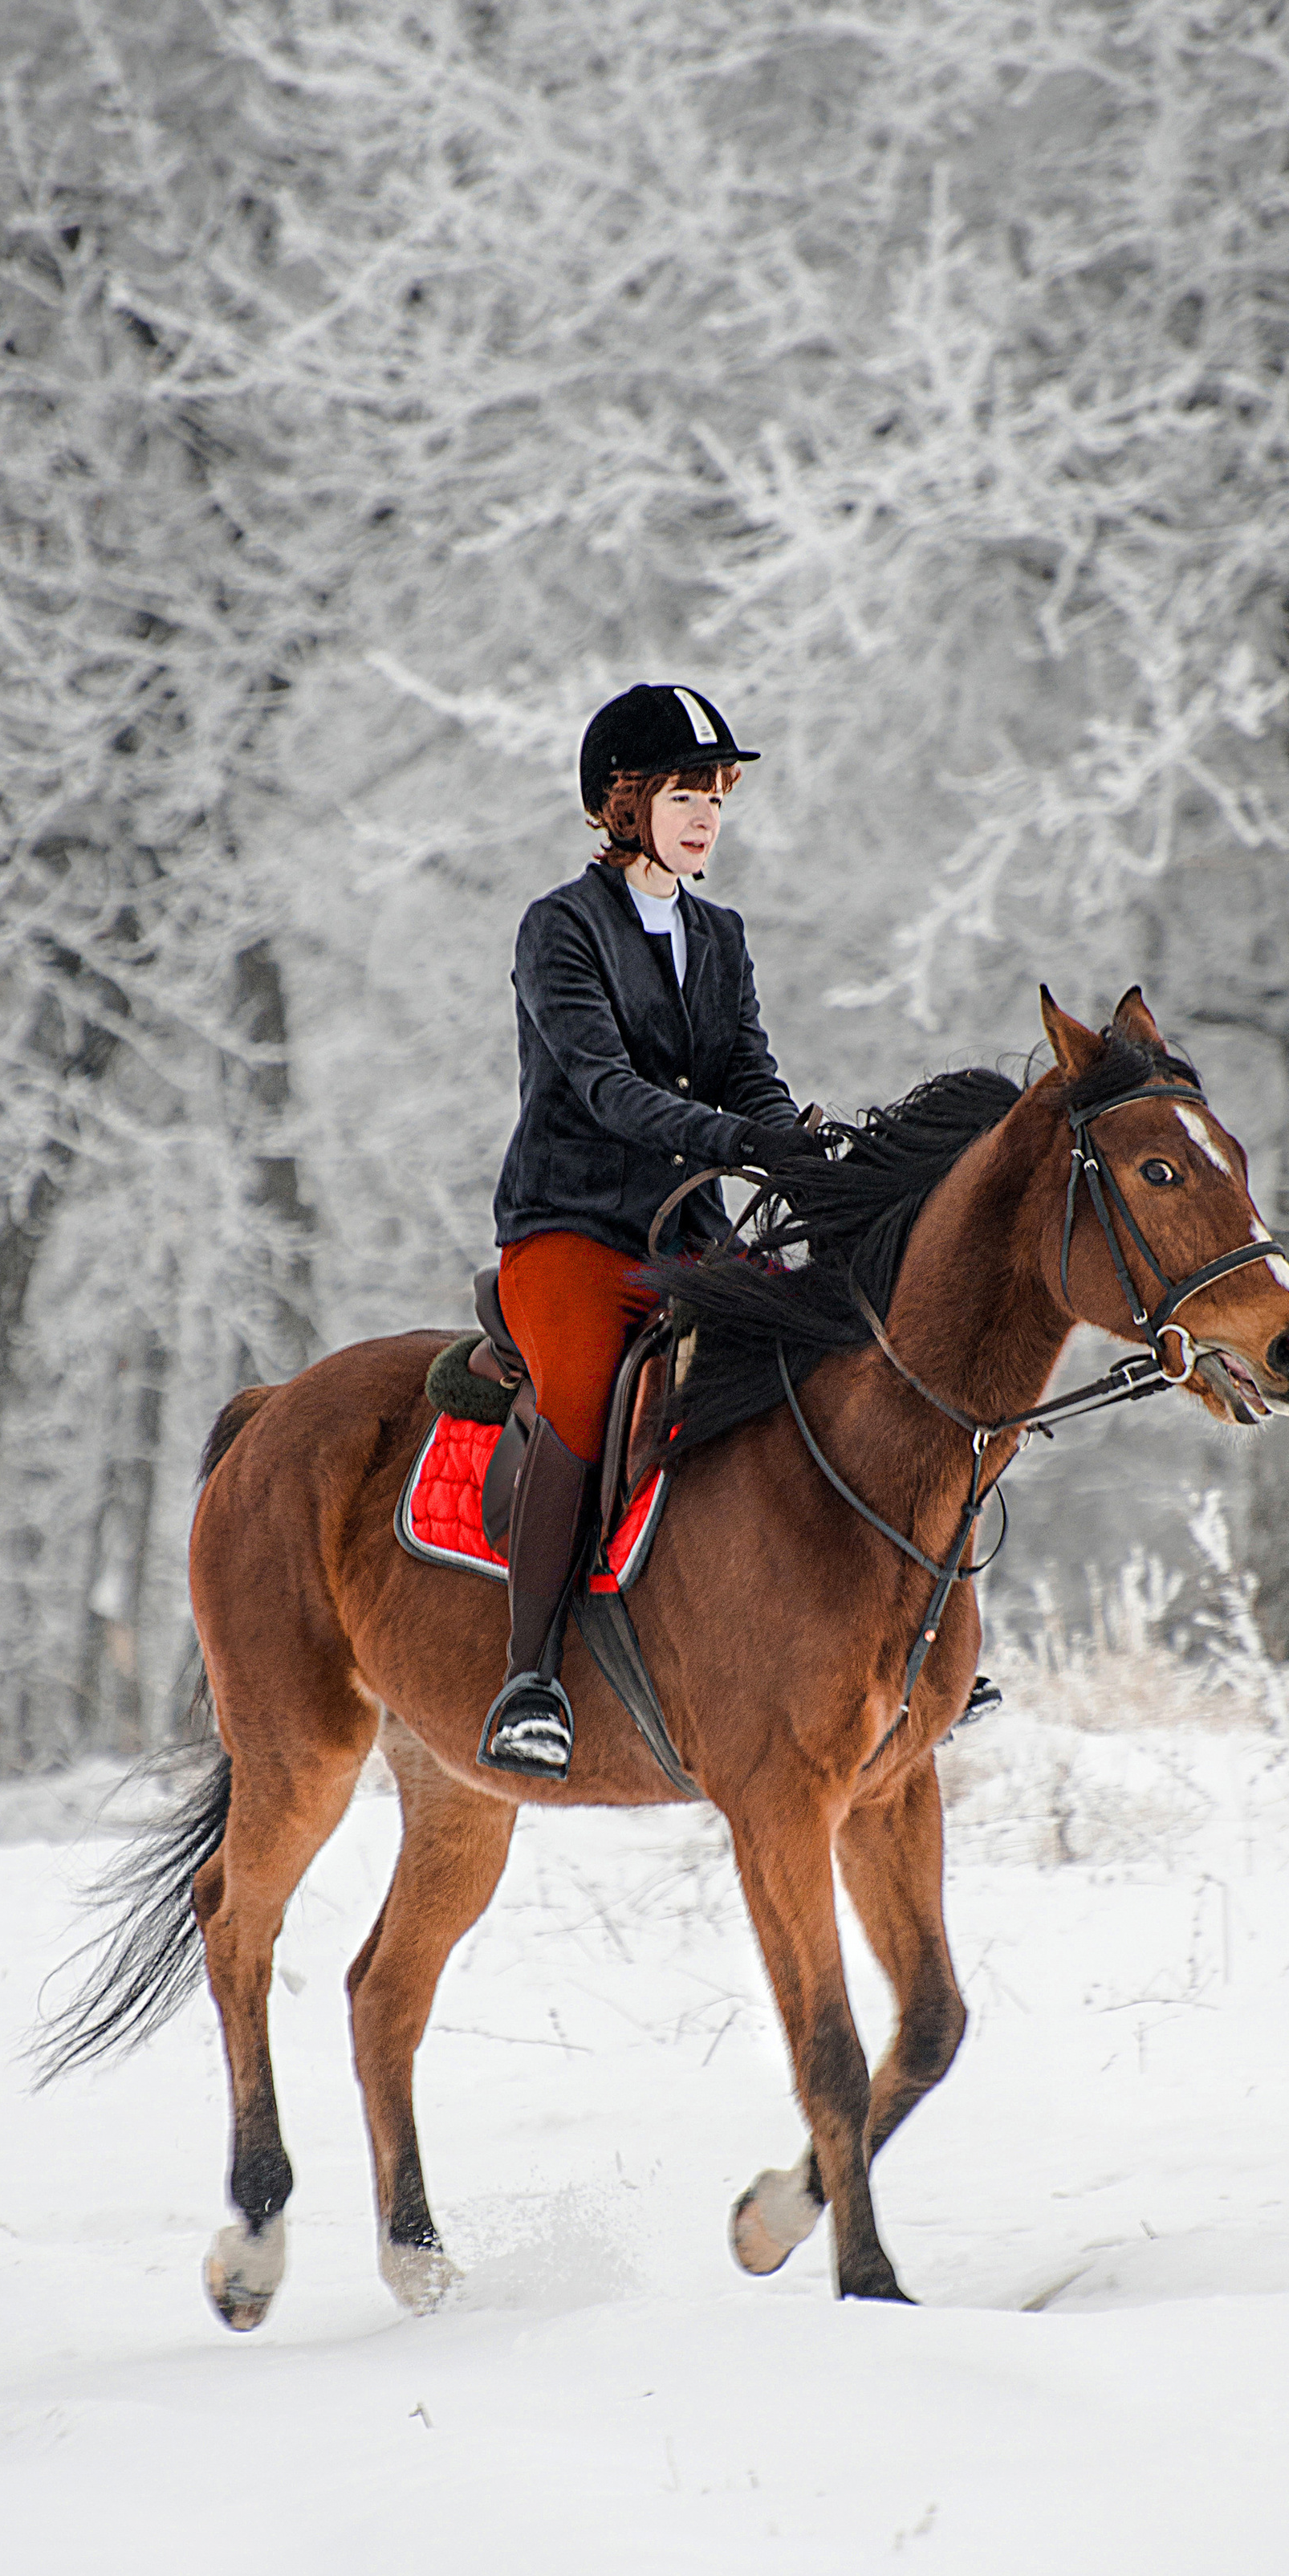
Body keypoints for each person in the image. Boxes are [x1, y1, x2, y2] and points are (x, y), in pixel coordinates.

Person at [478, 682, 811, 1780]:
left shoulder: (721, 936)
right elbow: (604, 1086)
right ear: (623, 804)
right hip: (571, 1230)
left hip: (690, 1239)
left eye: (718, 791)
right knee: (579, 1391)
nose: (709, 811)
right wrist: (730, 1135)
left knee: (821, 1355)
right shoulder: (558, 929)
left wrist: (794, 1142)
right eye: (684, 790)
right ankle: (530, 1679)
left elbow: (749, 1069)